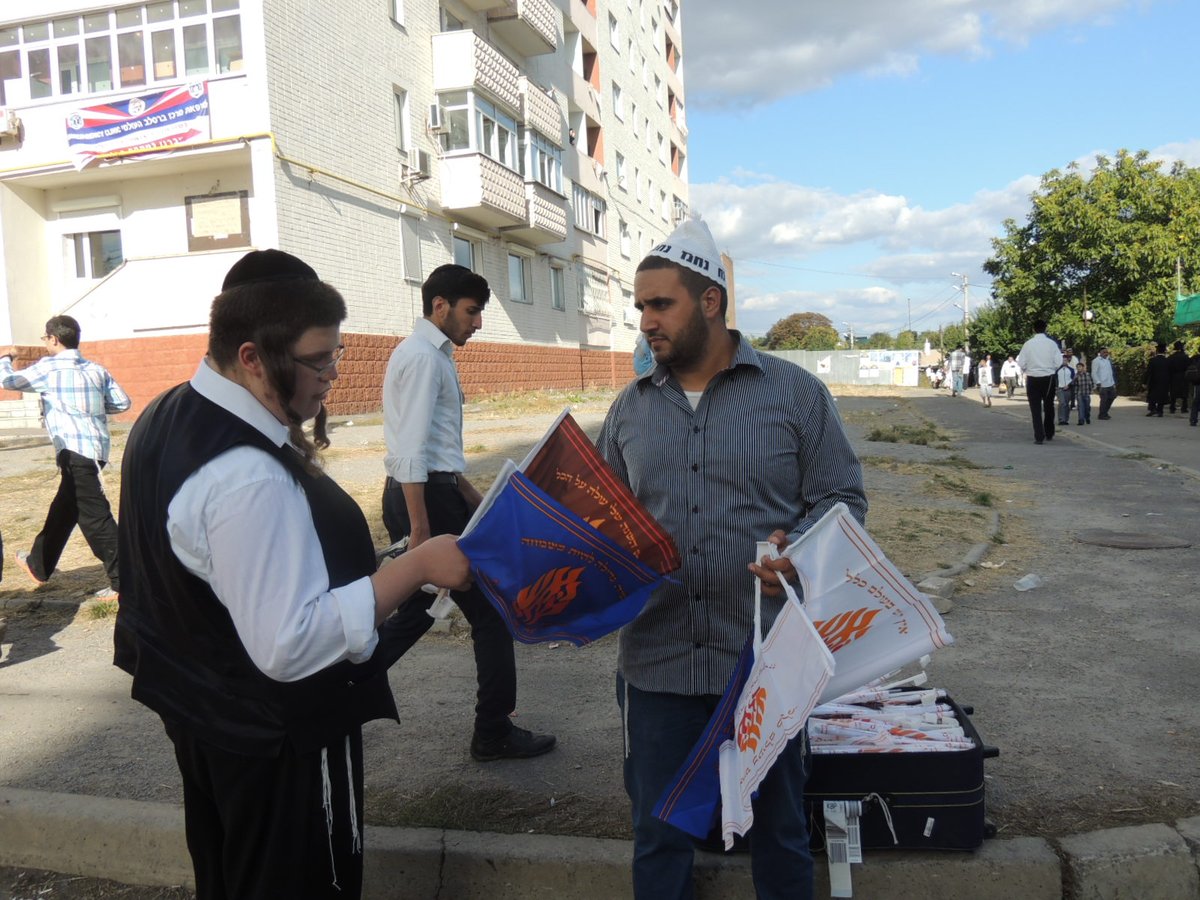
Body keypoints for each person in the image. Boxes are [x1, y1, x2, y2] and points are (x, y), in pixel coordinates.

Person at [113, 249, 472, 900]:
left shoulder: (169, 413)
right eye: (318, 359)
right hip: (277, 736)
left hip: (207, 718)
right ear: (252, 355)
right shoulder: (247, 474)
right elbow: (293, 642)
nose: (334, 373)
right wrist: (417, 566)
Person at [597, 218, 868, 900]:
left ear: (710, 302)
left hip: (765, 660)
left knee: (777, 831)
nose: (645, 321)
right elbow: (603, 521)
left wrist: (799, 552)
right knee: (657, 836)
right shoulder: (628, 410)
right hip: (657, 662)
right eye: (640, 307)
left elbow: (842, 496)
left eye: (660, 304)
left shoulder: (795, 394)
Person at [380, 263, 555, 763]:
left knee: (417, 611)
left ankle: (337, 688)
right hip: (422, 500)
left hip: (435, 493)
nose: (477, 323)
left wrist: (475, 500)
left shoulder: (434, 356)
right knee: (490, 611)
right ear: (440, 306)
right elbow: (412, 451)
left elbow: (437, 452)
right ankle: (493, 731)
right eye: (472, 311)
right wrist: (420, 533)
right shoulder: (421, 358)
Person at [1, 316, 130, 597]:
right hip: (96, 452)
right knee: (64, 508)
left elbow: (9, 381)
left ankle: (127, 582)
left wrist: (5, 358)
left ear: (54, 339)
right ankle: (39, 564)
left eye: (45, 339)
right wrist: (91, 408)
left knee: (95, 519)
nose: (44, 343)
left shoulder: (48, 367)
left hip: (75, 454)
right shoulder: (96, 370)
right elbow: (122, 402)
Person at [1016, 320, 1061, 444]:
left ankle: (1039, 436)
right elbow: (1058, 362)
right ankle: (1049, 432)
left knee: (1035, 408)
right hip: (1049, 377)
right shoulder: (1052, 344)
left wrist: (1029, 369)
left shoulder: (1028, 344)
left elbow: (1021, 362)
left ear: (1033, 329)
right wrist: (1050, 368)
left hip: (1032, 377)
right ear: (1045, 328)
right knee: (1049, 406)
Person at [1144, 343, 1170, 417]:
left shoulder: (1152, 360)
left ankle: (1152, 409)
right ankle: (1160, 411)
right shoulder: (1167, 361)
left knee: (1152, 396)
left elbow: (1148, 372)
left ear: (1157, 351)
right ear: (1164, 351)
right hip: (1164, 381)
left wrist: (1144, 382)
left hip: (1154, 381)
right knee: (1161, 396)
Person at [1091, 347, 1117, 420]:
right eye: (1104, 352)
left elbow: (1110, 373)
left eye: (1106, 352)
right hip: (1102, 384)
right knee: (1104, 400)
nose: (1106, 353)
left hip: (1110, 383)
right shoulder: (1096, 361)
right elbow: (1094, 373)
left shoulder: (1108, 361)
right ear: (1100, 353)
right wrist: (1098, 383)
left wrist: (1113, 383)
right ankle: (1102, 414)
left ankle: (1104, 412)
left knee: (1112, 397)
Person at [1167, 340, 1190, 414]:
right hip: (1183, 376)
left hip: (1174, 376)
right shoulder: (1186, 357)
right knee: (1184, 393)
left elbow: (1168, 368)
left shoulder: (1171, 357)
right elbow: (1189, 366)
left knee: (1173, 392)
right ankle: (1184, 407)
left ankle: (1172, 407)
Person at [1055, 351, 1076, 426]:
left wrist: (1069, 385)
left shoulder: (1071, 370)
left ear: (1067, 361)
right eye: (1063, 360)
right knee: (1062, 403)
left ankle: (1066, 419)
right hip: (1060, 388)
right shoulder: (1057, 370)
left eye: (1065, 360)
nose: (1064, 362)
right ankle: (1061, 419)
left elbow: (1073, 379)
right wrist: (1056, 387)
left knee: (1066, 404)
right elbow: (1055, 379)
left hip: (1068, 388)